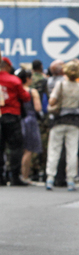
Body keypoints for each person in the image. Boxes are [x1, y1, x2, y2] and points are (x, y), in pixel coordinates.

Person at [45, 61, 79, 191]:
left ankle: (50, 177)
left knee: (54, 149)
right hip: (74, 121)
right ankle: (71, 179)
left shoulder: (60, 84)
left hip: (59, 120)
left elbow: (52, 101)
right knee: (72, 151)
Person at [0, 57, 31, 186]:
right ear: (7, 66)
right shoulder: (14, 80)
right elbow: (26, 97)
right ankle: (14, 176)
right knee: (15, 147)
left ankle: (1, 176)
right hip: (12, 116)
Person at [16, 69, 43, 183]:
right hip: (30, 120)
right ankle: (25, 175)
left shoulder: (16, 90)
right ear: (27, 79)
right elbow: (38, 108)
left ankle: (16, 174)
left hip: (18, 119)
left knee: (18, 149)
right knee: (28, 150)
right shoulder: (32, 91)